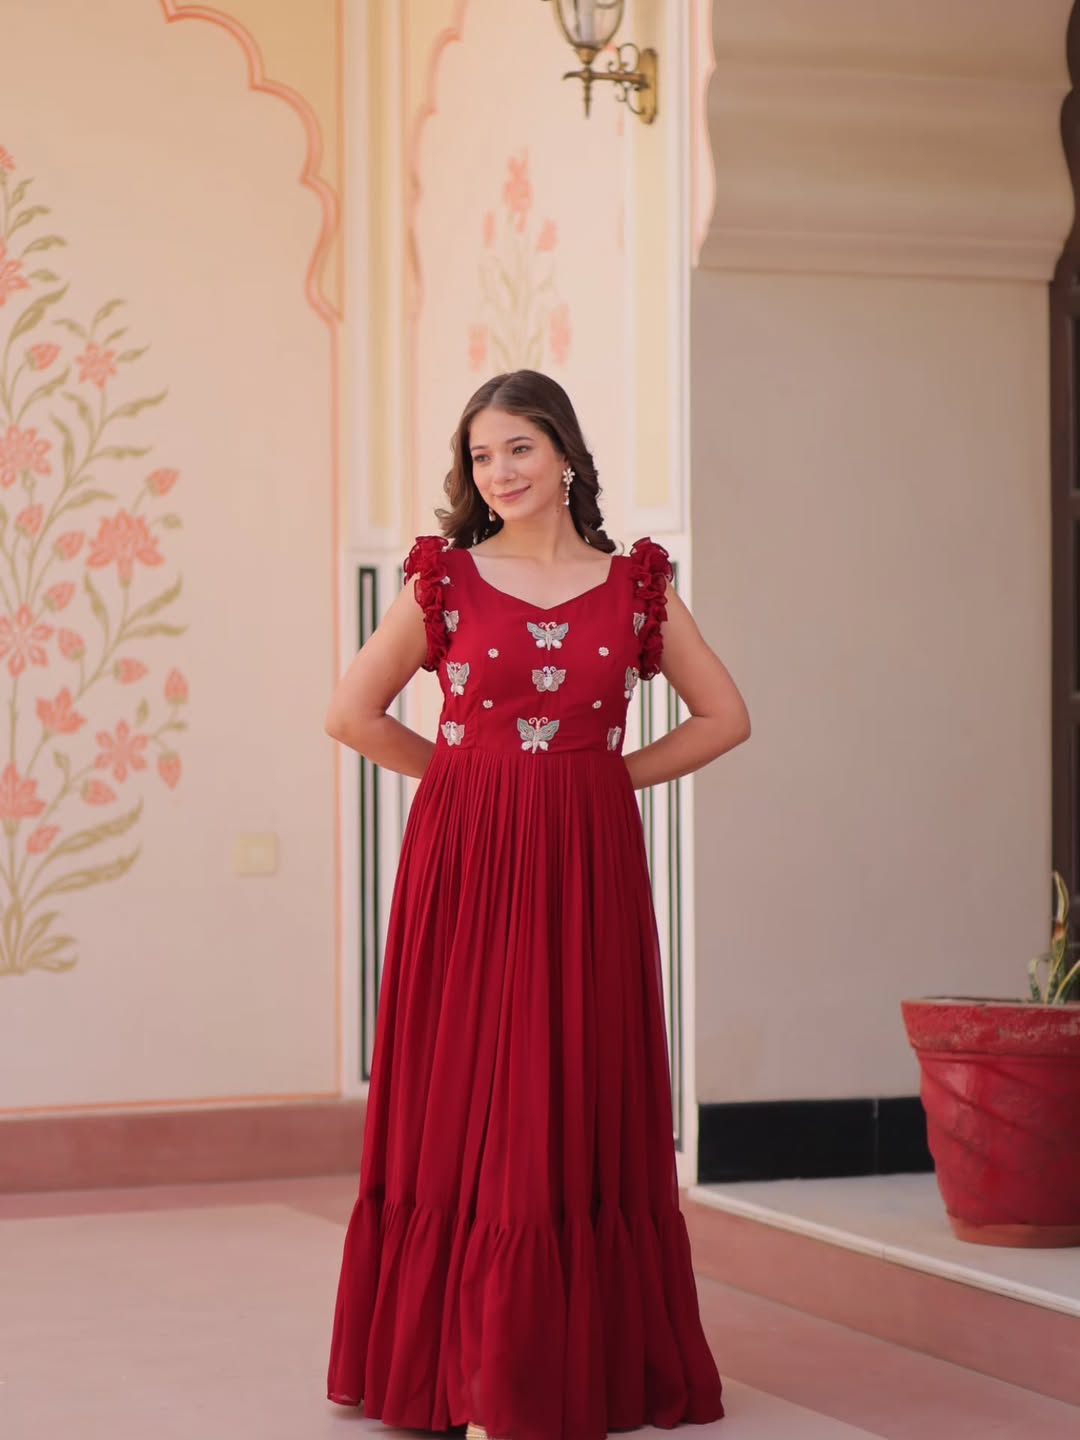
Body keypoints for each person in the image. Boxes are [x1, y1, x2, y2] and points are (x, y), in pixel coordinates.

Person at [324, 370, 750, 1440]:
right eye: (480, 456)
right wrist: (471, 780)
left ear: (565, 454)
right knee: (475, 1081)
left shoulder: (637, 585)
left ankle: (534, 1363)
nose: (499, 473)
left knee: (569, 1074)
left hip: (586, 857)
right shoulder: (445, 582)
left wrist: (601, 777)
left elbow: (725, 716)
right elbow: (352, 713)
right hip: (466, 860)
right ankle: (464, 1376)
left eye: (518, 448)